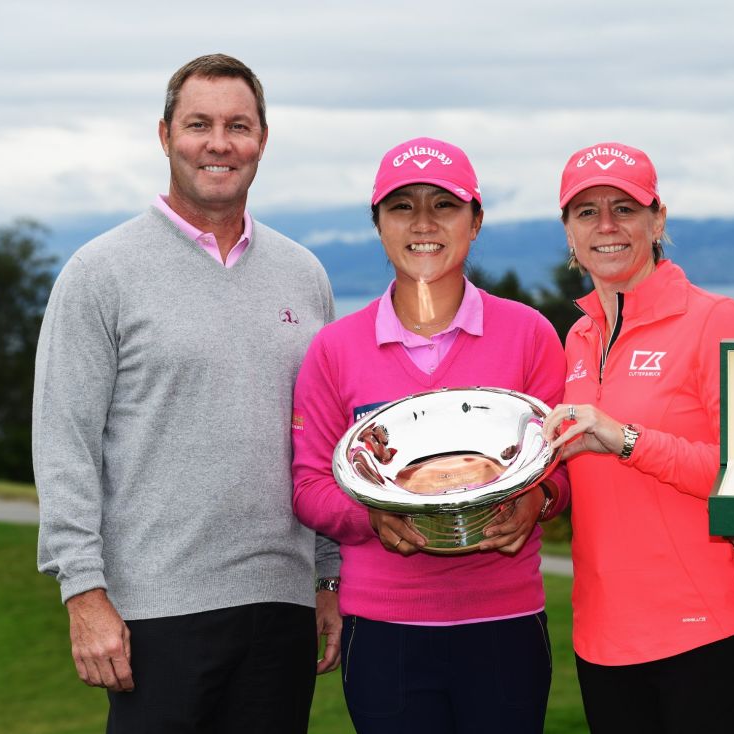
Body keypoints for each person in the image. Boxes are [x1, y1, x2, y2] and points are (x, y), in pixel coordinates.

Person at [33, 54, 340, 733]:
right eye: (199, 124)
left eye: (238, 125)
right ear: (165, 133)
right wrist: (83, 593)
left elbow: (319, 437)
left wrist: (327, 578)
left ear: (263, 138)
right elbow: (65, 444)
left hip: (280, 607)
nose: (219, 143)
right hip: (154, 615)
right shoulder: (100, 274)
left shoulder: (304, 275)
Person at [290, 136, 569, 734]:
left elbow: (562, 465)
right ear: (378, 224)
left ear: (475, 221)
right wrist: (370, 516)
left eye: (443, 205)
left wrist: (539, 500)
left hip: (505, 622)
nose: (423, 223)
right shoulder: (334, 349)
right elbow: (310, 484)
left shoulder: (529, 334)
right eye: (402, 206)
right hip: (385, 629)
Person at [541, 142, 734, 734]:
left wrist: (625, 439)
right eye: (586, 212)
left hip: (707, 635)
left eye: (624, 207)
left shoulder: (716, 320)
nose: (607, 225)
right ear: (568, 231)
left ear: (658, 219)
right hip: (603, 640)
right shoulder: (578, 339)